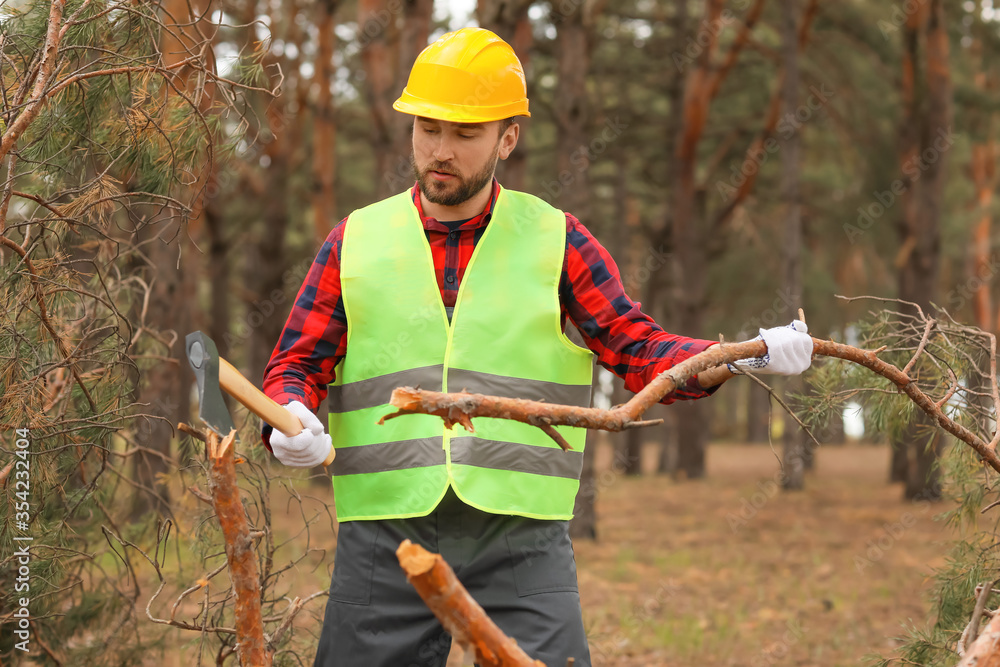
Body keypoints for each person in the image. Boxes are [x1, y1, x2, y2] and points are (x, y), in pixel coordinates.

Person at [261, 27, 814, 667]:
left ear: (507, 138)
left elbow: (637, 348)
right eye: (428, 128)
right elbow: (296, 363)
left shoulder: (558, 240)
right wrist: (290, 415)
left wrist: (742, 354)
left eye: (465, 134)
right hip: (384, 535)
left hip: (520, 537)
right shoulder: (353, 240)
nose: (440, 150)